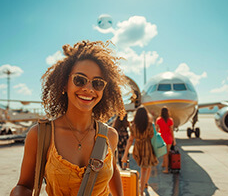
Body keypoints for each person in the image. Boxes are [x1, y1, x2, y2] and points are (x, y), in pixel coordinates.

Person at [10, 40, 126, 196]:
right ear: (64, 84)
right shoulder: (40, 135)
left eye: (97, 83)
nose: (88, 89)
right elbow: (24, 185)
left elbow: (113, 172)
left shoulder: (110, 136)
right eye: (80, 80)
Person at [121, 106, 158, 196]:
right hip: (147, 147)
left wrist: (125, 154)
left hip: (137, 148)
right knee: (144, 168)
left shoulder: (133, 126)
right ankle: (141, 191)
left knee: (147, 166)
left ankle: (145, 183)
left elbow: (130, 140)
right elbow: (152, 136)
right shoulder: (149, 125)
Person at [156, 106, 176, 174]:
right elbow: (171, 131)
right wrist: (174, 140)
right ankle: (164, 164)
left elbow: (156, 130)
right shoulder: (170, 120)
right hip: (169, 138)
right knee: (166, 153)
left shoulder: (159, 120)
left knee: (165, 154)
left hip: (162, 138)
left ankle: (166, 169)